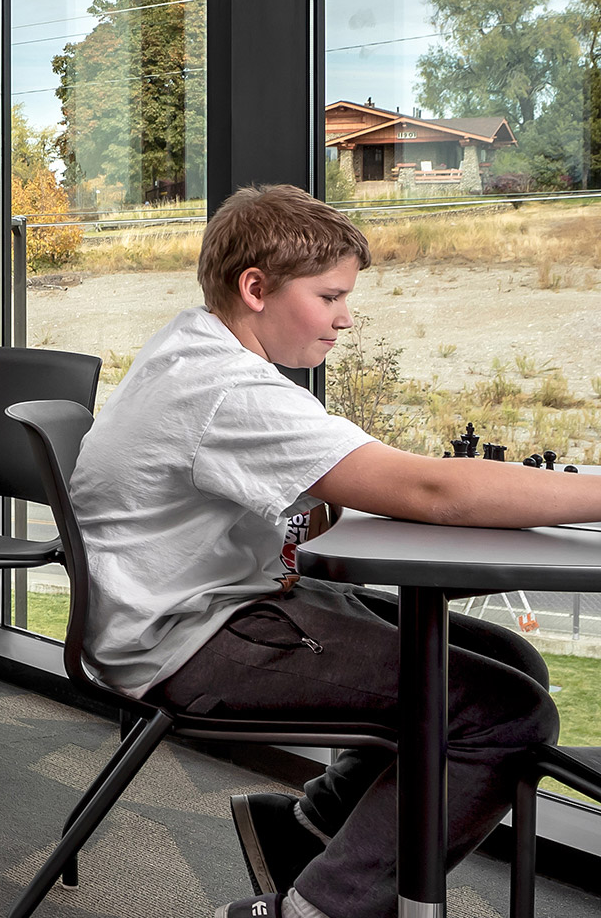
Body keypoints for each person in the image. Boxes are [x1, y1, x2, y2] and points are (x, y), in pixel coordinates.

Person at [69, 183, 601, 918]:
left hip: (185, 606)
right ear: (255, 288)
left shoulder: (189, 344)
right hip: (182, 641)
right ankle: (315, 910)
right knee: (504, 712)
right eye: (329, 297)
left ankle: (304, 835)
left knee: (509, 661)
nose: (346, 319)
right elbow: (433, 493)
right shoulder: (228, 389)